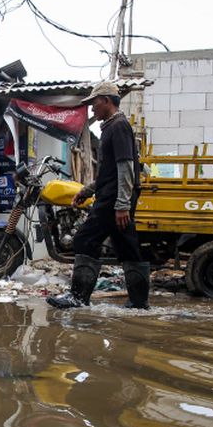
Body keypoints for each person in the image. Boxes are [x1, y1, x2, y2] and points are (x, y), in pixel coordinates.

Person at [48, 80, 150, 310]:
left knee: (85, 239)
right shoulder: (112, 128)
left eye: (94, 103)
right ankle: (138, 302)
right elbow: (109, 172)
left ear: (106, 101)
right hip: (113, 195)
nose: (92, 109)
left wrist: (122, 204)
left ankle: (78, 297)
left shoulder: (118, 127)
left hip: (114, 198)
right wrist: (86, 191)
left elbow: (126, 167)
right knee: (127, 247)